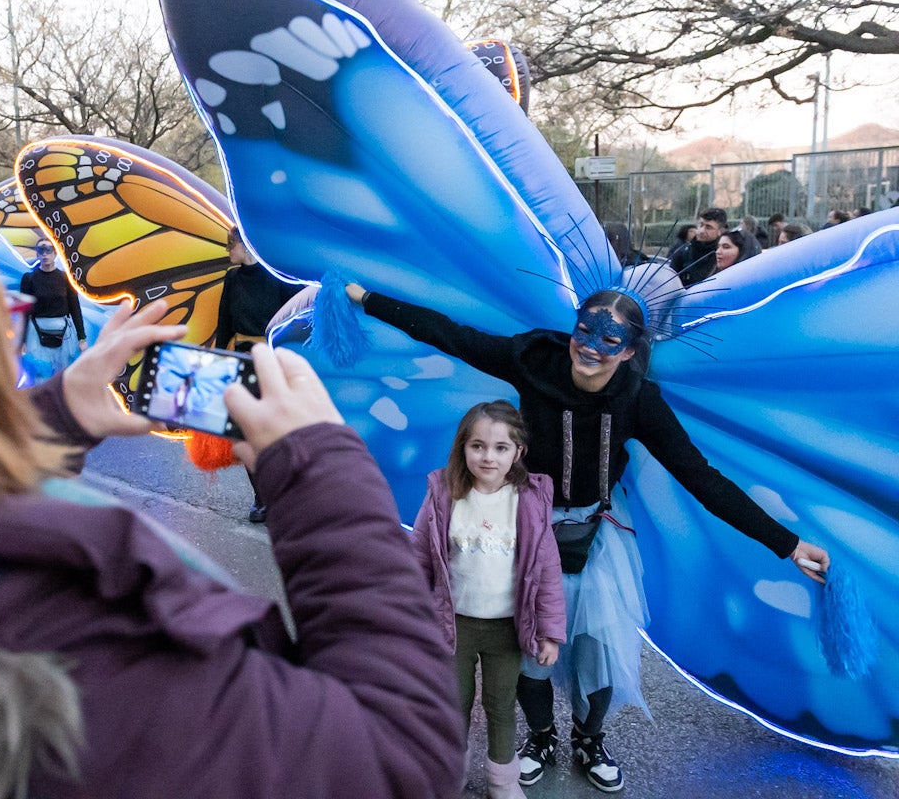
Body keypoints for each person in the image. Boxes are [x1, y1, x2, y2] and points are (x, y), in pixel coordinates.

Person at [0, 179, 463, 799]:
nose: (8, 345)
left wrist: (51, 419)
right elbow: (396, 757)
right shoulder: (71, 672)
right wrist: (321, 470)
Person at [340, 280, 830, 793]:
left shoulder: (639, 399)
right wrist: (367, 299)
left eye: (610, 339)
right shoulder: (533, 359)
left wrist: (787, 544)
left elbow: (699, 477)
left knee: (598, 646)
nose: (592, 346)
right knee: (527, 644)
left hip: (599, 533)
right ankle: (541, 735)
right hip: (524, 528)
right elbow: (450, 334)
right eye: (584, 330)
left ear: (632, 351)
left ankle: (589, 738)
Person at [411, 401, 566, 799]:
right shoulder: (444, 494)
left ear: (518, 452)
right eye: (477, 445)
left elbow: (546, 571)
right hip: (453, 626)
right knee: (452, 706)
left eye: (500, 447)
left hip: (506, 631)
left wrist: (549, 633)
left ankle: (503, 783)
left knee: (500, 707)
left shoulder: (529, 502)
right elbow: (418, 559)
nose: (488, 456)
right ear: (463, 446)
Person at [214, 226, 306, 523]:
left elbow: (295, 319)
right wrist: (218, 363)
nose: (228, 251)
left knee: (278, 434)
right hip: (241, 359)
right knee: (246, 432)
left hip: (273, 362)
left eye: (231, 245)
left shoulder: (276, 277)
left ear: (245, 245)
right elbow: (224, 322)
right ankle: (261, 497)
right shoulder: (232, 278)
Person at [20, 237, 88, 383]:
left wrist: (82, 337)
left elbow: (75, 308)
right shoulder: (29, 279)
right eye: (41, 250)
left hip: (63, 332)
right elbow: (24, 312)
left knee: (62, 376)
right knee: (39, 375)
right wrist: (22, 340)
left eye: (48, 250)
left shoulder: (65, 278)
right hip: (36, 332)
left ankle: (58, 404)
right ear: (37, 254)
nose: (45, 254)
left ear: (55, 253)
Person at [669, 207, 726, 287]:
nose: (702, 230)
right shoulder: (682, 253)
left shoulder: (723, 255)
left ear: (720, 231)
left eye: (708, 227)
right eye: (701, 225)